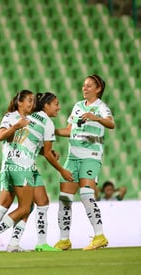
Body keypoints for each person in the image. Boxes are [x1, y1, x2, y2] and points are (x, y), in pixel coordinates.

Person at [0, 92, 73, 253]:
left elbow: (30, 144)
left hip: (23, 164)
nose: (59, 107)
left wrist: (47, 153)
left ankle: (23, 244)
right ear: (46, 105)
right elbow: (3, 136)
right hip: (21, 165)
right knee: (21, 207)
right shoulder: (40, 122)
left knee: (42, 202)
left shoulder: (30, 118)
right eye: (56, 104)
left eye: (32, 101)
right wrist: (62, 170)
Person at [54, 74, 115, 251]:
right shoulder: (78, 106)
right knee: (65, 199)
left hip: (91, 156)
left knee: (86, 194)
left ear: (98, 89)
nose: (84, 88)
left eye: (89, 86)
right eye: (83, 85)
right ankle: (64, 240)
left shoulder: (101, 107)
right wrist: (51, 131)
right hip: (72, 157)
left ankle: (99, 236)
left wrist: (95, 118)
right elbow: (69, 130)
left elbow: (111, 124)